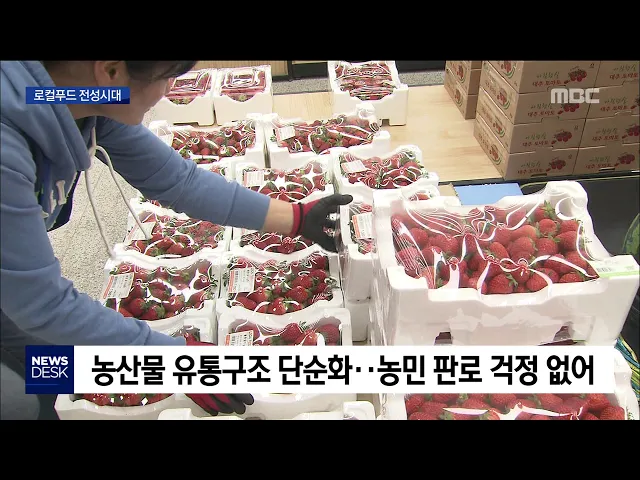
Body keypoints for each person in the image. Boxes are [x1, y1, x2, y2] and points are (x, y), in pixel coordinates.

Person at [0, 60, 353, 419]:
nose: (169, 90)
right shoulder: (7, 150)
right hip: (21, 295)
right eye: (167, 77)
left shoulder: (81, 101)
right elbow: (40, 302)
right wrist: (175, 361)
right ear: (111, 72)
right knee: (23, 397)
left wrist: (295, 218)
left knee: (52, 367)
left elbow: (179, 181)